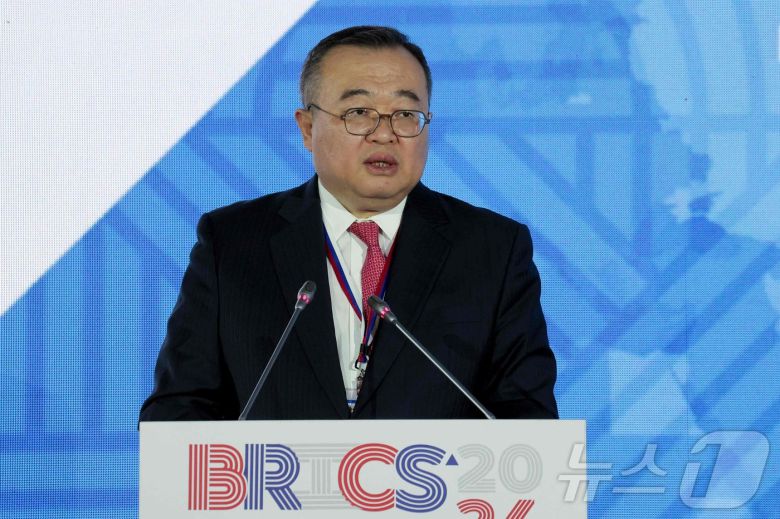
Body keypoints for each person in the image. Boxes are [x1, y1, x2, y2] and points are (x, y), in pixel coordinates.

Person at [139, 26, 558, 421]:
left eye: (406, 114)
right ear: (307, 128)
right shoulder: (232, 243)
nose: (385, 134)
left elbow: (527, 418)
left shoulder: (492, 250)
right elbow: (179, 410)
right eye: (359, 112)